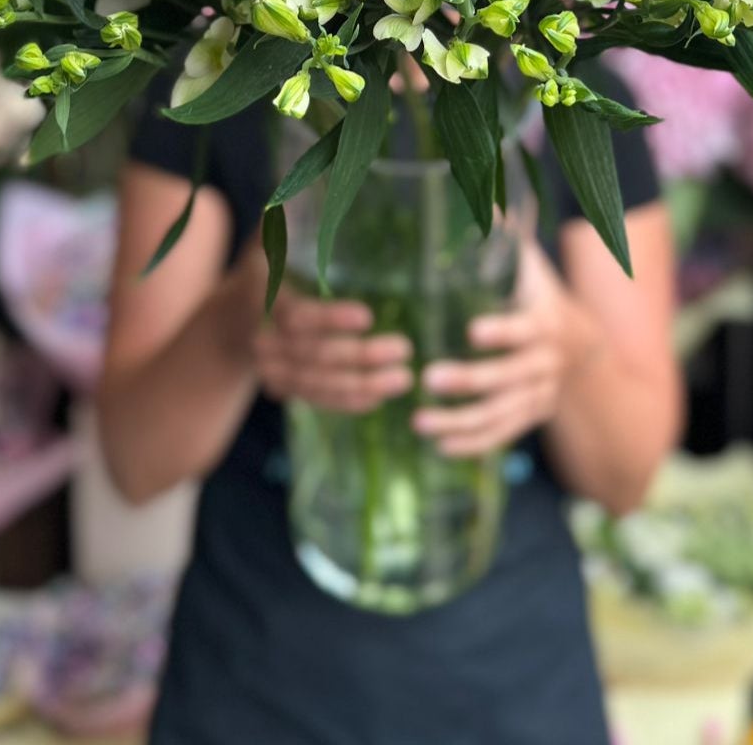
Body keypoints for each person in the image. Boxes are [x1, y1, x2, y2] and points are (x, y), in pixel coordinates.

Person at [99, 63, 681, 745]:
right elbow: (135, 465)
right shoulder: (217, 80)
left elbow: (628, 479)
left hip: (514, 688)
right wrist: (236, 322)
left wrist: (572, 354)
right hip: (254, 678)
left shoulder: (573, 92)